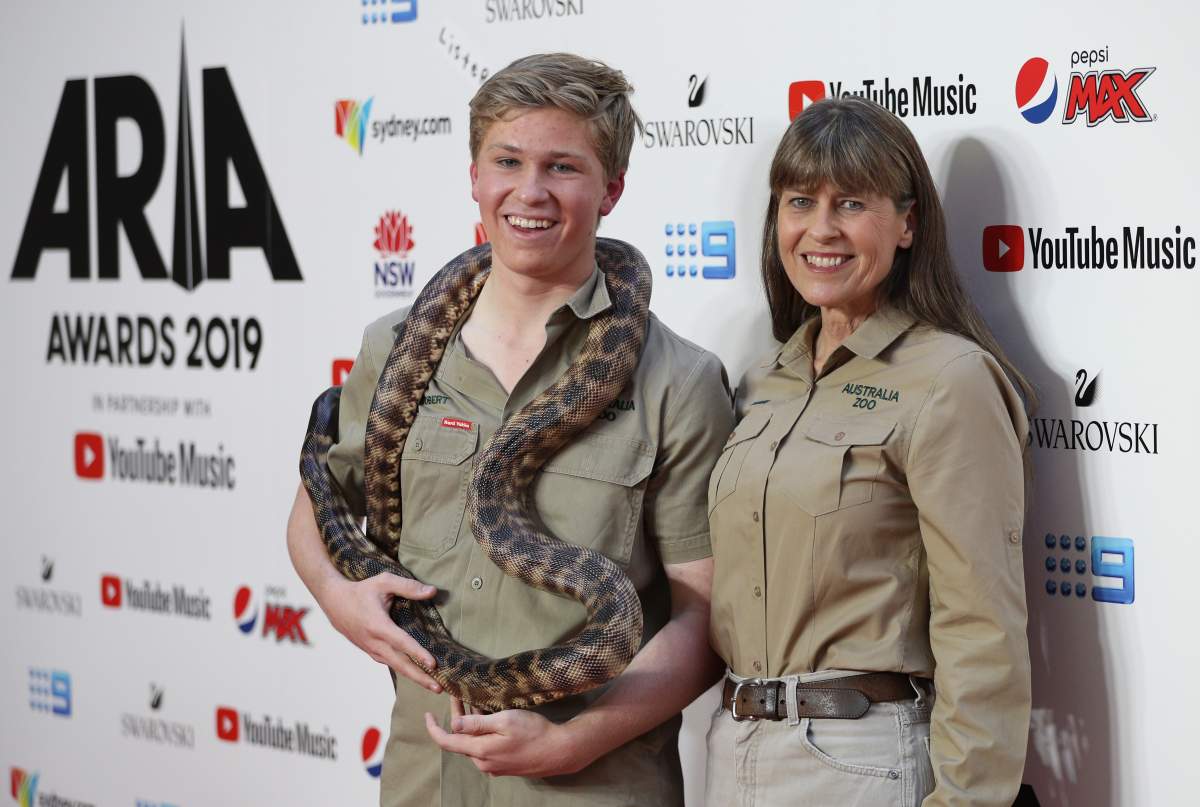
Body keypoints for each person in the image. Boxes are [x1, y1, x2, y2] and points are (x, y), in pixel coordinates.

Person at [286, 53, 734, 807]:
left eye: (563, 166)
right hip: (423, 776)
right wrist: (336, 593)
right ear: (474, 176)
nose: (530, 192)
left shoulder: (678, 380)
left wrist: (569, 742)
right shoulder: (395, 348)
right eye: (508, 161)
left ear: (611, 189)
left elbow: (705, 620)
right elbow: (320, 501)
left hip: (594, 784)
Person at [705, 95, 1034, 807]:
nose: (820, 230)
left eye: (851, 203)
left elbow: (982, 625)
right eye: (800, 202)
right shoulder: (764, 376)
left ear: (907, 222)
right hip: (733, 750)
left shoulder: (950, 379)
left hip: (860, 760)